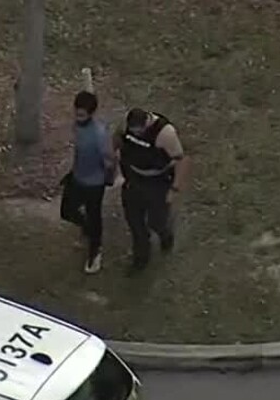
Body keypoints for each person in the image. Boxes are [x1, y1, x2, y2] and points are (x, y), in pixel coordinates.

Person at [114, 108, 189, 275]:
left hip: (157, 182)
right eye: (133, 131)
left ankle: (165, 234)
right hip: (133, 179)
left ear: (147, 122)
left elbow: (180, 160)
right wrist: (112, 156)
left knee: (157, 221)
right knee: (134, 221)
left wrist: (174, 189)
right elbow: (117, 139)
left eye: (139, 131)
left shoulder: (165, 133)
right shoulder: (125, 124)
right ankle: (141, 257)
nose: (136, 134)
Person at [59, 91, 115, 274]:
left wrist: (108, 178)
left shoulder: (99, 134)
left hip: (94, 184)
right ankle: (87, 228)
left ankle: (95, 250)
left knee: (94, 216)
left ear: (91, 113)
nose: (77, 118)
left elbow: (109, 160)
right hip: (77, 176)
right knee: (67, 211)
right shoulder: (77, 126)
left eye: (82, 115)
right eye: (76, 113)